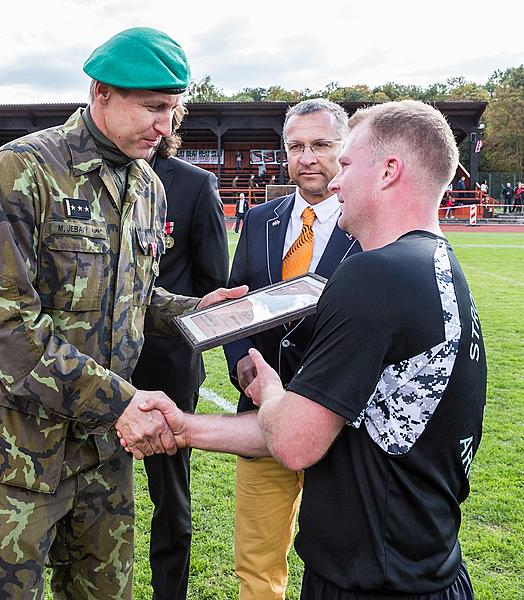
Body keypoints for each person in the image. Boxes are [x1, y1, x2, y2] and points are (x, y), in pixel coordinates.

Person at [127, 100, 486, 600]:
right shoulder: (435, 262)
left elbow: (295, 440)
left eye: (345, 163)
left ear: (388, 171)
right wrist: (186, 427)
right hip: (422, 566)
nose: (335, 181)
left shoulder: (376, 272)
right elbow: (328, 425)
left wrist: (273, 390)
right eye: (297, 146)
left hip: (372, 581)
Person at [0, 27, 242, 599]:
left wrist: (196, 308)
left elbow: (131, 297)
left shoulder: (148, 186)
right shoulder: (21, 171)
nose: (166, 126)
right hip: (17, 454)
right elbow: (7, 330)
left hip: (104, 453)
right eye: (153, 107)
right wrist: (124, 403)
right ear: (101, 92)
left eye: (174, 110)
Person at [224, 98, 360, 600]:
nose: (307, 157)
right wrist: (241, 363)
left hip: (342, 424)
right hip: (262, 415)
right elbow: (238, 301)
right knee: (256, 566)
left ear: (344, 149)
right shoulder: (260, 219)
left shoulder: (367, 224)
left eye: (321, 145)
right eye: (296, 146)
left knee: (342, 563)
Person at [131, 105, 230, 600]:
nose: (157, 122)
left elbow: (214, 284)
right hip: (95, 367)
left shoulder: (193, 185)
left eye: (165, 110)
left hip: (166, 368)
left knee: (169, 497)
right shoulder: (90, 181)